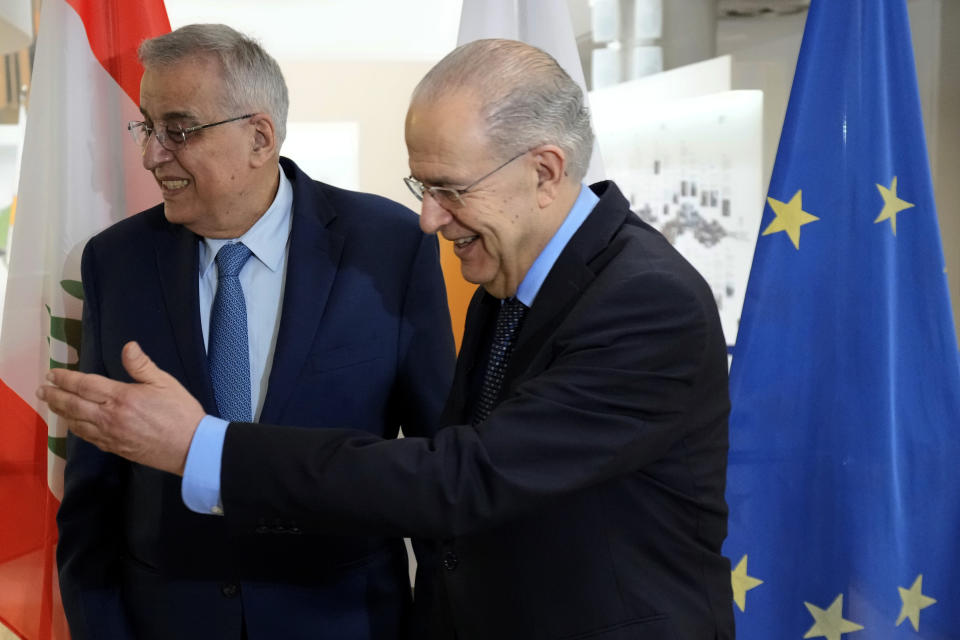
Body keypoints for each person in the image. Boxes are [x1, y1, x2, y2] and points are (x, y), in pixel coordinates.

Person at [43, 38, 735, 639]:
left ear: (545, 171)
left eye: (450, 189)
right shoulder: (512, 279)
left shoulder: (646, 302)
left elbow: (457, 478)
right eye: (421, 188)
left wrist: (204, 447)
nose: (430, 220)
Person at [54, 24, 455, 640]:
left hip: (347, 621)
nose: (152, 154)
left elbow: (438, 469)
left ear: (260, 137)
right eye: (147, 127)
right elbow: (93, 495)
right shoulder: (115, 262)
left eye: (178, 130)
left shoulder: (389, 246)